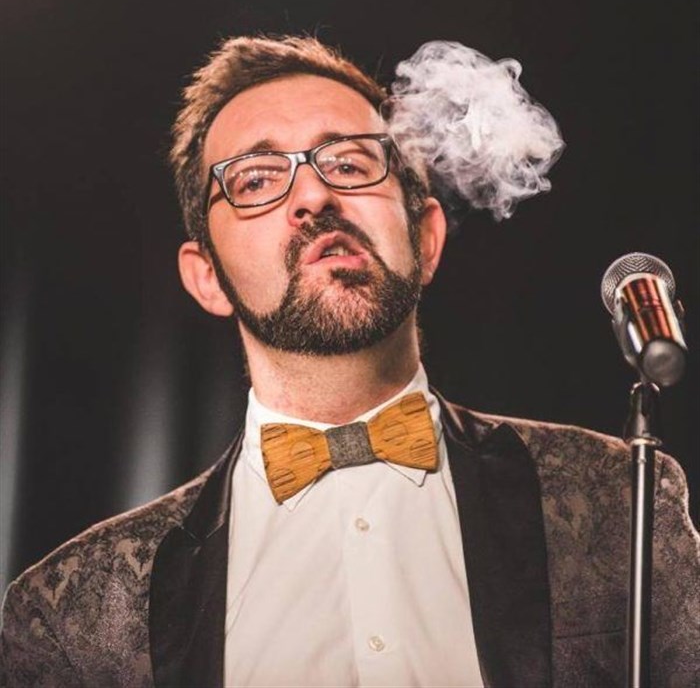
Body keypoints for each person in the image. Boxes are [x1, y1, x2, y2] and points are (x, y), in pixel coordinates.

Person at [1, 35, 698, 688]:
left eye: (350, 163)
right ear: (206, 277)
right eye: (255, 179)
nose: (313, 195)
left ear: (426, 238)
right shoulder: (69, 615)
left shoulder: (624, 500)